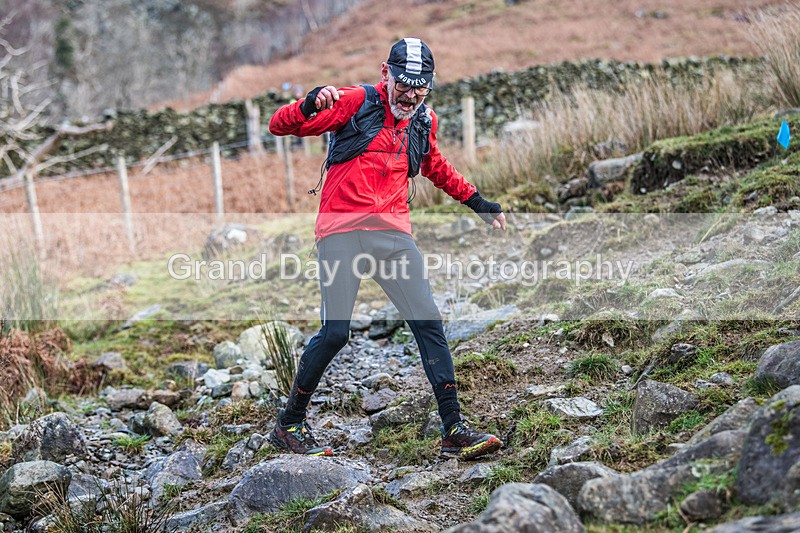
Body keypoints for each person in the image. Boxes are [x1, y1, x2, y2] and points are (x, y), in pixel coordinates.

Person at [267, 38, 507, 459]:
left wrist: (478, 203)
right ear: (386, 73)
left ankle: (453, 429)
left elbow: (435, 166)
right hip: (341, 232)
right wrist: (308, 104)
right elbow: (280, 126)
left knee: (428, 322)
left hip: (393, 235)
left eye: (420, 88)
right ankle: (289, 424)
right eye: (404, 85)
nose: (411, 96)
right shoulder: (354, 102)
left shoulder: (422, 121)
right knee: (335, 333)